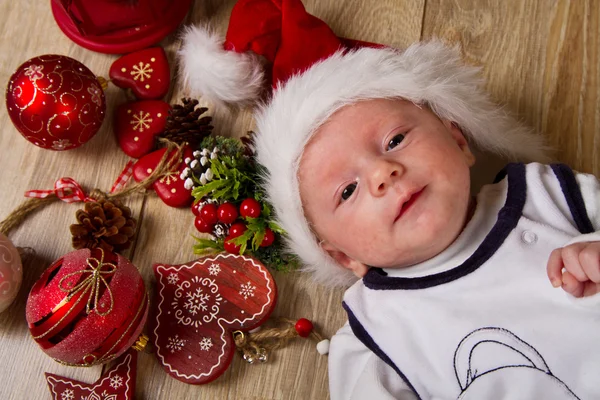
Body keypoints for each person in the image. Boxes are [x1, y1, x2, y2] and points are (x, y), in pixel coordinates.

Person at [178, 0, 600, 398]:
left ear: (458, 139)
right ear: (343, 257)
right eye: (347, 191)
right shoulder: (375, 340)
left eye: (395, 139)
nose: (382, 173)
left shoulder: (549, 198)